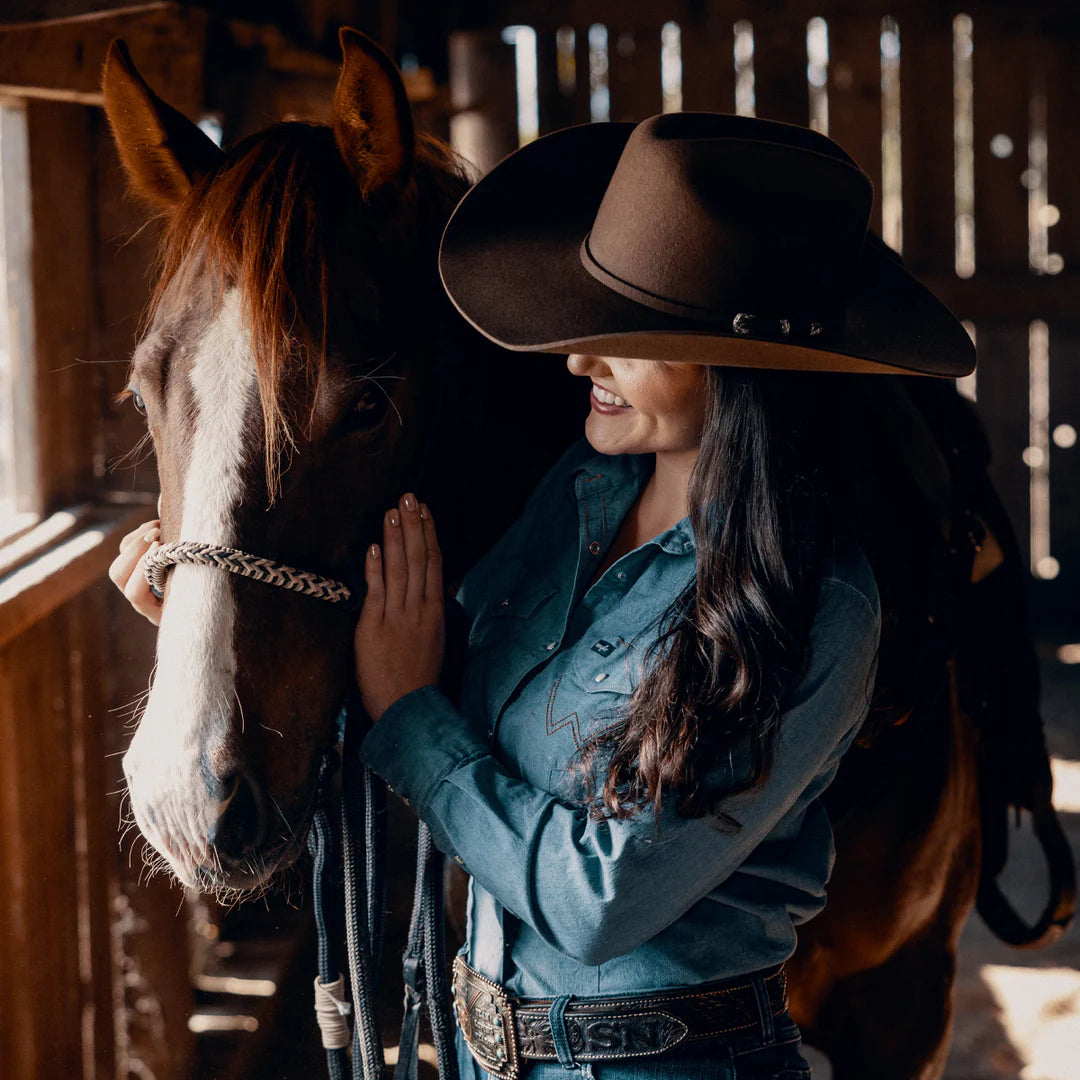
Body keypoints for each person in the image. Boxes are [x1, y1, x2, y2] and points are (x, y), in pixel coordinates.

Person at [111, 113, 975, 1078]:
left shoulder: (813, 604)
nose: (577, 360)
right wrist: (218, 630)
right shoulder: (568, 505)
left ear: (746, 366)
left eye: (631, 334)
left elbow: (597, 901)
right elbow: (439, 686)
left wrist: (406, 717)